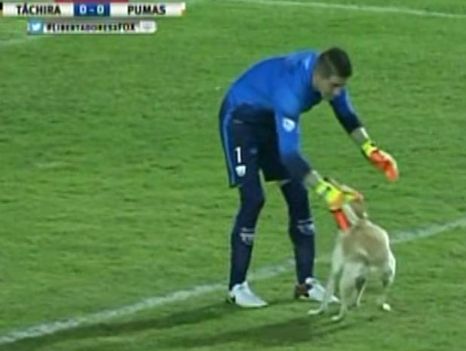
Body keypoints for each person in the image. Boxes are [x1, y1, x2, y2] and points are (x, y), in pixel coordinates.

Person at [218, 47, 398, 308]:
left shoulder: (325, 75)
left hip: (271, 120)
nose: (337, 92)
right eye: (334, 86)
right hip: (240, 121)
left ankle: (306, 284)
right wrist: (327, 191)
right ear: (320, 78)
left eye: (341, 86)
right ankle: (237, 287)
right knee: (253, 198)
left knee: (298, 196)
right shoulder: (290, 93)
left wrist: (371, 149)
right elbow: (290, 155)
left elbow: (346, 114)